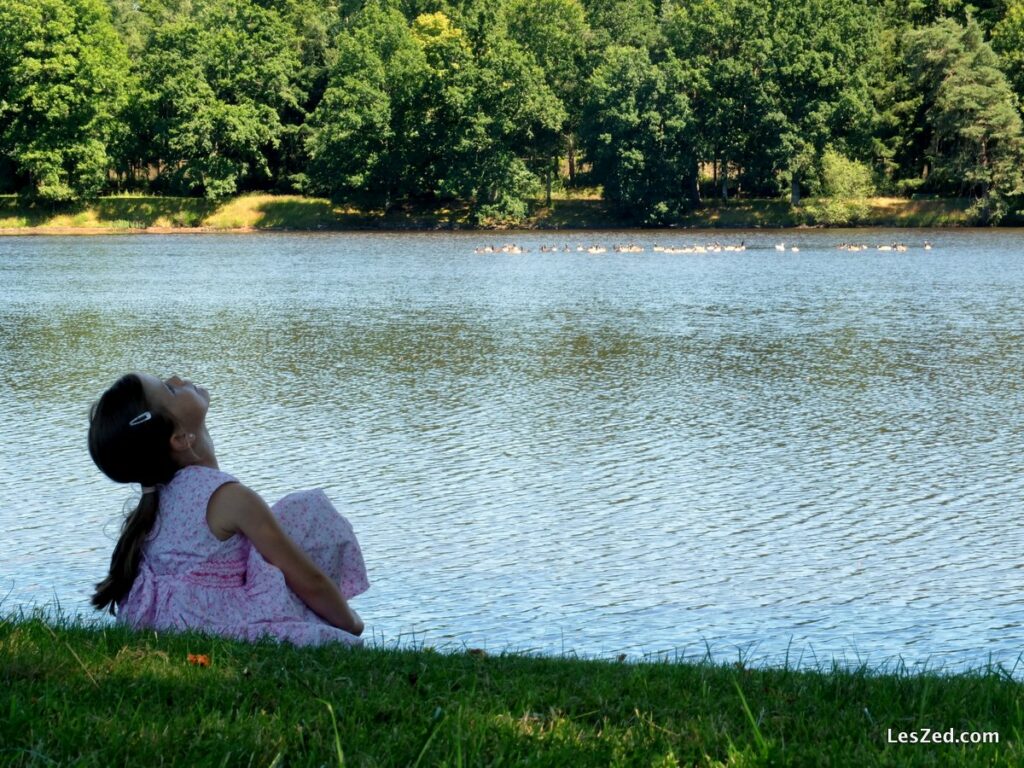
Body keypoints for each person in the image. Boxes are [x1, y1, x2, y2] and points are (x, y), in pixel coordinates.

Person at [87, 372, 368, 646]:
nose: (175, 378)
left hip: (174, 623)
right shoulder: (229, 499)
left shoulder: (156, 501)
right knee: (308, 509)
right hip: (212, 624)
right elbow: (311, 580)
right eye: (169, 389)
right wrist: (351, 623)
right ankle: (326, 616)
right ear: (180, 439)